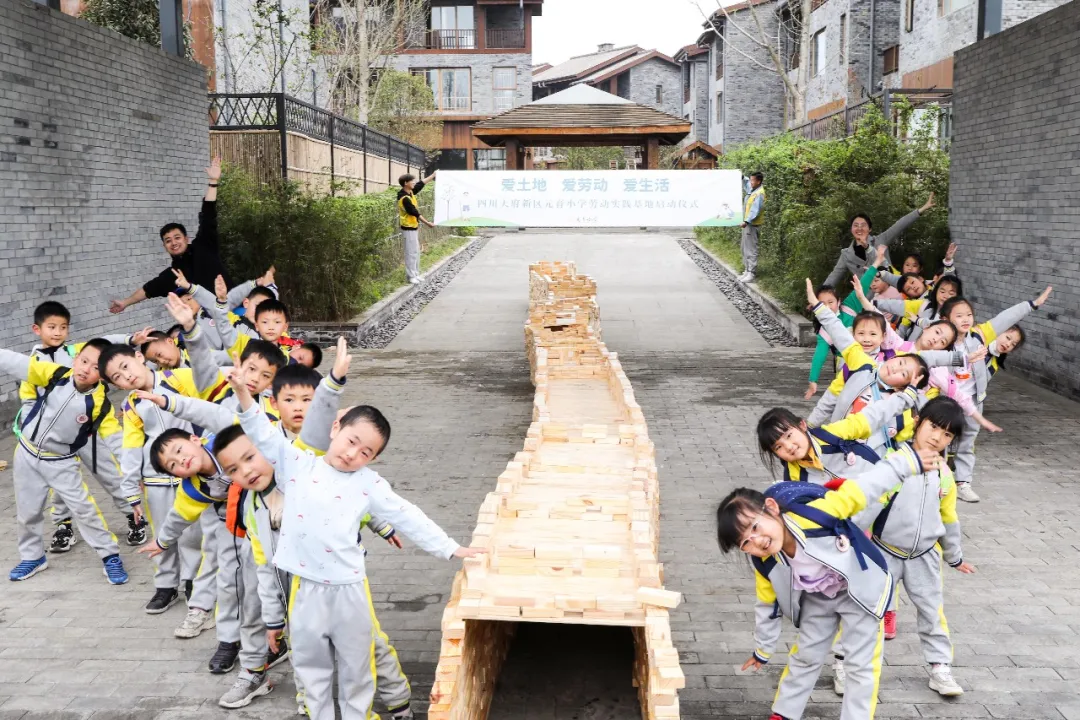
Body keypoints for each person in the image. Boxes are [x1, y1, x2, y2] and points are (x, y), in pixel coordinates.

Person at [229, 357, 485, 720]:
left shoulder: (369, 484)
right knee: (310, 668)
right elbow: (261, 433)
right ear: (335, 429)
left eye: (366, 452)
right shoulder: (297, 463)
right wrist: (242, 392)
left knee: (356, 670)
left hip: (349, 590)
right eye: (351, 441)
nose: (353, 454)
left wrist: (450, 547)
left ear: (374, 458)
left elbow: (405, 514)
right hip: (305, 589)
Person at [716, 444, 941, 720]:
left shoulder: (818, 514)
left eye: (755, 527)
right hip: (816, 598)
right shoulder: (766, 562)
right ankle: (784, 713)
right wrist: (762, 649)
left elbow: (865, 487)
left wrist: (908, 462)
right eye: (745, 543)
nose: (757, 542)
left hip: (860, 592)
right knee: (805, 657)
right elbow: (767, 604)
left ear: (772, 509)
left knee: (860, 665)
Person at [98, 342, 224, 620]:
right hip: (155, 479)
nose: (126, 376)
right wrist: (130, 490)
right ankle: (166, 584)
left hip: (188, 470)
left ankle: (193, 580)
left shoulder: (179, 378)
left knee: (193, 533)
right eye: (117, 377)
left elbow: (215, 386)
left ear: (139, 357)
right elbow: (130, 448)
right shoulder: (131, 405)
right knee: (162, 531)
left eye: (126, 366)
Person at [866, 396, 975, 696]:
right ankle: (847, 663)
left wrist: (954, 557)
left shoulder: (945, 474)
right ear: (918, 422)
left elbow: (949, 518)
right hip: (883, 551)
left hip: (924, 556)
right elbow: (868, 502)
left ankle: (940, 668)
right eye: (934, 427)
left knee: (931, 611)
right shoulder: (892, 461)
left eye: (947, 434)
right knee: (865, 609)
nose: (938, 437)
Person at [1, 338, 133, 585]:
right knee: (28, 512)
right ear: (75, 359)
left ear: (104, 375)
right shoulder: (55, 374)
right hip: (27, 454)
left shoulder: (100, 404)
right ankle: (33, 557)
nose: (85, 369)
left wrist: (135, 470)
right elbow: (16, 362)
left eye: (95, 367)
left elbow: (117, 440)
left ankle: (110, 555)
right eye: (84, 361)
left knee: (85, 510)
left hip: (61, 462)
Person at [17, 301, 146, 552]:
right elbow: (27, 397)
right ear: (37, 329)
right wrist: (30, 427)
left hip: (87, 431)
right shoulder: (32, 362)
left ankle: (134, 517)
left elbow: (104, 340)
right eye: (51, 327)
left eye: (62, 327)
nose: (57, 332)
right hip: (53, 437)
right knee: (60, 483)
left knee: (109, 472)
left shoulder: (76, 352)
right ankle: (64, 526)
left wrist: (130, 339)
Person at [937, 287, 1051, 502]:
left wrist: (1032, 305)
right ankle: (936, 480)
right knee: (939, 438)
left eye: (969, 315)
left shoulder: (980, 337)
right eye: (959, 316)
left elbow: (1006, 317)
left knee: (967, 441)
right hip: (945, 399)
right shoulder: (943, 340)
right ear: (946, 318)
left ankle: (963, 482)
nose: (965, 319)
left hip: (972, 402)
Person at [109, 157, 233, 314]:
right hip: (210, 326)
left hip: (234, 310)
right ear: (165, 246)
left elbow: (208, 214)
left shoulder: (204, 245)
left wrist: (213, 181)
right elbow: (148, 290)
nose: (173, 243)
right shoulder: (173, 275)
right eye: (168, 241)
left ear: (186, 239)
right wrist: (125, 302)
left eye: (177, 237)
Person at [824, 194, 936, 288]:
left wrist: (921, 209)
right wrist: (819, 296)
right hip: (867, 299)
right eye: (856, 225)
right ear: (851, 229)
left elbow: (900, 225)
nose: (859, 228)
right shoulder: (846, 254)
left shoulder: (881, 240)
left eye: (863, 225)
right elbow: (834, 276)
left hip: (891, 290)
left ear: (870, 229)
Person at [397, 171, 437, 285]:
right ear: (406, 183)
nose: (414, 183)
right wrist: (427, 223)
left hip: (413, 227)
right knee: (410, 252)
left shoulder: (410, 192)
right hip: (407, 228)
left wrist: (433, 175)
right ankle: (410, 276)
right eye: (412, 181)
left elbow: (420, 184)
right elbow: (415, 212)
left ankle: (416, 274)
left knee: (416, 251)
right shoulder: (404, 198)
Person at [739, 172, 765, 283]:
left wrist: (746, 221)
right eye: (750, 180)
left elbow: (755, 210)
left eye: (752, 180)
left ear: (758, 181)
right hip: (747, 225)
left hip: (752, 225)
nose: (751, 182)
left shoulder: (759, 193)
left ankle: (752, 273)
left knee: (751, 249)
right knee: (744, 248)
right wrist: (742, 177)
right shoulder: (753, 189)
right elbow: (746, 185)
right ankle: (747, 270)